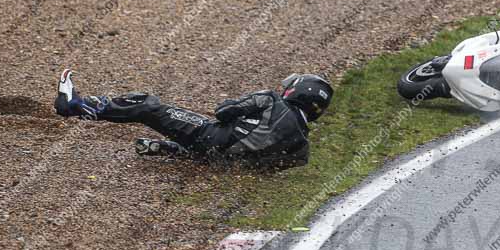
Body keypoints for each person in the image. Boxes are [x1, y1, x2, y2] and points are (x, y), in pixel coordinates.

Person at [53, 69, 333, 168]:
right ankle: (171, 149)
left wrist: (235, 112)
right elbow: (261, 169)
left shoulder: (271, 100)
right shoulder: (302, 151)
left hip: (208, 136)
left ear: (298, 91)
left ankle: (76, 105)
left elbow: (223, 111)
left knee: (148, 105)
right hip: (218, 160)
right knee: (224, 150)